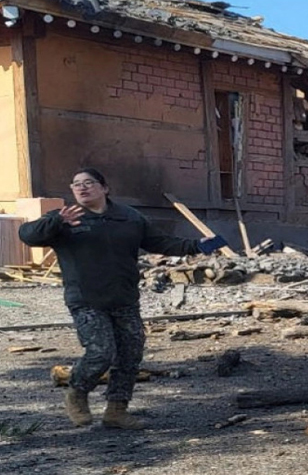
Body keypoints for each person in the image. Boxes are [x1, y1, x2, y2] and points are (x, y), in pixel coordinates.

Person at [18, 168, 227, 429]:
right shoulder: (65, 219)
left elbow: (161, 242)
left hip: (124, 298)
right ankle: (77, 393)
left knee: (130, 354)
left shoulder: (129, 217)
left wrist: (199, 245)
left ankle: (116, 411)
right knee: (100, 353)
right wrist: (55, 222)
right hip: (86, 299)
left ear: (104, 188)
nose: (82, 188)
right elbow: (27, 235)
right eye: (76, 185)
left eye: (89, 183)